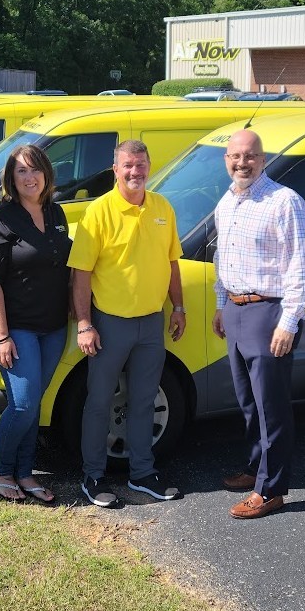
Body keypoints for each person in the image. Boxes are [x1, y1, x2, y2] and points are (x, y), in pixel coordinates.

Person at [68, 139, 186, 507]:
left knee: (144, 401)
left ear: (149, 165)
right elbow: (80, 274)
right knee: (99, 402)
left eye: (141, 164)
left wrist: (178, 307)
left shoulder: (163, 207)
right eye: (128, 166)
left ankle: (142, 475)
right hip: (109, 323)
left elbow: (171, 263)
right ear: (115, 170)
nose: (135, 171)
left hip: (151, 322)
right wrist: (85, 323)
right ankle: (93, 476)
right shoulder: (98, 211)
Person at [212, 128, 305, 519]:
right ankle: (257, 469)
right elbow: (225, 260)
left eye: (250, 156)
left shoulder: (284, 202)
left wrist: (289, 322)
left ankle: (271, 490)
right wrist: (222, 305)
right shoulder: (227, 202)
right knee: (248, 403)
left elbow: (301, 267)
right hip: (237, 311)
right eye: (235, 156)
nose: (242, 163)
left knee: (271, 406)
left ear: (263, 159)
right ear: (226, 160)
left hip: (269, 313)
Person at [0, 144, 71, 504]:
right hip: (15, 328)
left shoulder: (56, 212)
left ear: (46, 173)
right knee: (22, 402)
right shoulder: (0, 220)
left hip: (54, 326)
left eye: (35, 169)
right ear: (11, 178)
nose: (29, 177)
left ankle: (25, 472)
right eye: (21, 171)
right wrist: (1, 336)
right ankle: (2, 471)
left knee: (34, 401)